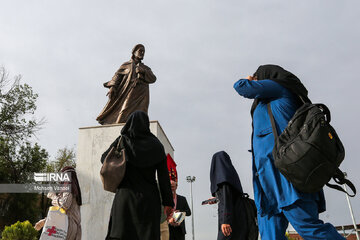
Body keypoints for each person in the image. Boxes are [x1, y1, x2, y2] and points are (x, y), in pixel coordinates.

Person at [233, 64, 345, 240]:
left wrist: (249, 80)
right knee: (270, 235)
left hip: (287, 176)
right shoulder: (268, 100)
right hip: (267, 179)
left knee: (308, 227)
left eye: (257, 77)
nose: (255, 80)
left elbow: (241, 87)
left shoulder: (280, 87)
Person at [104, 110, 174, 240]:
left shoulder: (123, 141)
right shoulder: (157, 146)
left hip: (125, 198)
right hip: (149, 201)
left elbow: (104, 159)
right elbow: (164, 178)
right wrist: (168, 203)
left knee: (121, 234)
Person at [97, 44, 157, 124]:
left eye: (143, 52)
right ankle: (119, 128)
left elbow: (153, 79)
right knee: (124, 110)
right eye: (140, 51)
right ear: (134, 52)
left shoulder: (146, 68)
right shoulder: (126, 65)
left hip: (142, 93)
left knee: (141, 113)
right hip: (130, 92)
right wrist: (112, 87)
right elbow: (117, 76)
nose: (142, 53)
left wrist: (143, 71)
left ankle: (141, 128)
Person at [35, 166, 82, 240]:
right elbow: (62, 213)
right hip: (71, 228)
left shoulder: (69, 188)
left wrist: (53, 196)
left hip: (67, 228)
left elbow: (64, 205)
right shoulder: (74, 191)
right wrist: (44, 221)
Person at [209, 151, 248, 240]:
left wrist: (225, 221)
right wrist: (217, 198)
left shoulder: (223, 181)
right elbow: (229, 197)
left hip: (229, 223)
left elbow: (226, 200)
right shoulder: (230, 178)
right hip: (239, 219)